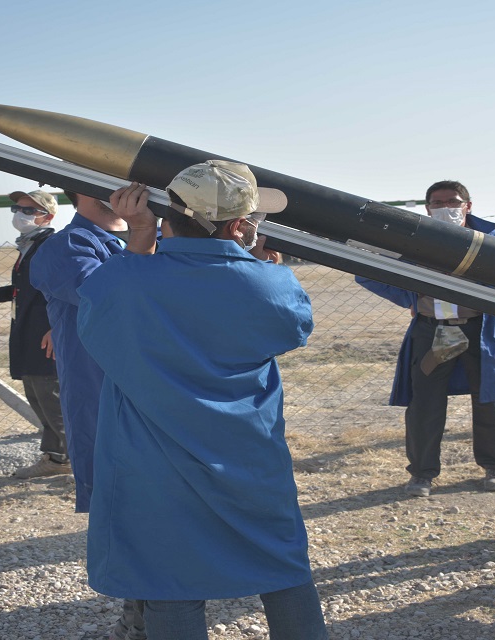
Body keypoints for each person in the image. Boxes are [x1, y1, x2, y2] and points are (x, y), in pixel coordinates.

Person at [78, 161, 326, 640]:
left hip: (153, 462)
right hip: (250, 459)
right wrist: (252, 260)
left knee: (170, 582)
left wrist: (140, 238)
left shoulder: (127, 280)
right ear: (239, 225)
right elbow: (293, 328)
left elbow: (97, 314)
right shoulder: (270, 282)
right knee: (283, 568)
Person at [28, 188, 147, 639]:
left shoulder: (154, 239)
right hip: (106, 401)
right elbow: (118, 297)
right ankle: (142, 614)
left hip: (156, 395)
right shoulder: (63, 248)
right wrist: (143, 234)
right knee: (126, 505)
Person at [356, 180, 495, 497]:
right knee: (424, 404)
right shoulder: (414, 243)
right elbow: (367, 272)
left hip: (483, 330)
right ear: (428, 208)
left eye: (453, 201)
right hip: (433, 331)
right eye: (438, 203)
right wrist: (410, 298)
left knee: (493, 401)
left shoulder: (494, 240)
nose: (446, 208)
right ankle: (421, 474)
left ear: (468, 205)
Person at [0, 189, 70, 478]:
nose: (21, 215)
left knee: (52, 398)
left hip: (47, 335)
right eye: (19, 209)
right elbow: (27, 288)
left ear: (49, 216)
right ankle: (56, 458)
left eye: (30, 211)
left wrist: (58, 328)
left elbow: (68, 289)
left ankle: (78, 459)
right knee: (38, 395)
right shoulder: (29, 246)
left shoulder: (54, 245)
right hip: (30, 333)